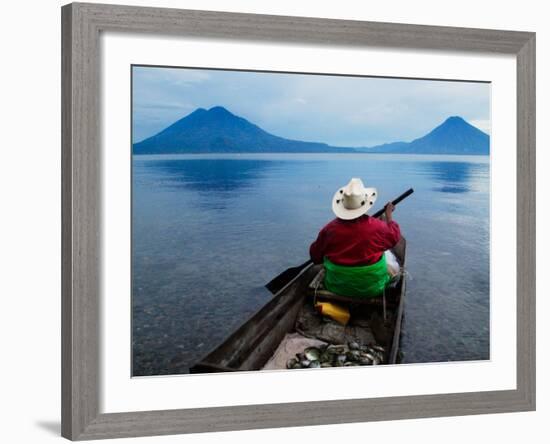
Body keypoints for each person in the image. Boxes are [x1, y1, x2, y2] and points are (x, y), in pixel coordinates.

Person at [309, 178, 401, 298]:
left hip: (336, 287)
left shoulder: (329, 230)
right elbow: (394, 236)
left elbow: (316, 257)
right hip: (372, 288)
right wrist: (389, 216)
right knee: (394, 267)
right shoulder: (378, 227)